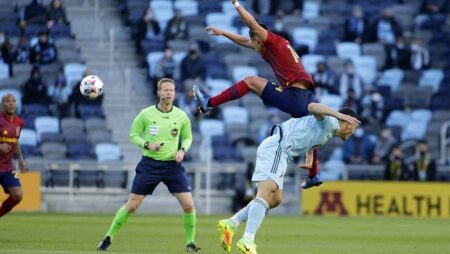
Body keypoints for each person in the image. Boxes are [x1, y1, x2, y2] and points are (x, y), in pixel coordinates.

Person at [193, 0, 321, 185]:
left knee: (250, 81)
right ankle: (313, 175)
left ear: (260, 37)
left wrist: (236, 4)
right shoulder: (272, 45)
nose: (252, 44)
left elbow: (252, 25)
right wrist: (223, 33)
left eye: (254, 40)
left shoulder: (274, 41)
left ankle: (209, 103)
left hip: (296, 96)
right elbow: (245, 40)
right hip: (305, 96)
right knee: (313, 129)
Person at [216, 103, 360, 254]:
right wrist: (340, 115)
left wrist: (310, 154)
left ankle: (231, 223)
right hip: (278, 148)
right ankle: (248, 239)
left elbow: (310, 130)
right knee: (266, 194)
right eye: (354, 126)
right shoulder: (332, 122)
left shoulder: (329, 130)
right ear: (348, 122)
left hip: (281, 153)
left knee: (276, 199)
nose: (353, 131)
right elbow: (312, 106)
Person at [97, 78, 200, 252]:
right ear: (158, 93)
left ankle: (190, 243)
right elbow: (133, 135)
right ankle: (107, 238)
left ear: (175, 93)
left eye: (171, 90)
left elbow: (188, 137)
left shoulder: (181, 116)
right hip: (149, 165)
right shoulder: (146, 114)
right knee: (131, 206)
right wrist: (146, 144)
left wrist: (182, 150)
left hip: (172, 167)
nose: (168, 93)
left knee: (189, 205)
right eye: (165, 90)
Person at [0, 94, 28, 218]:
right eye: (8, 101)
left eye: (13, 101)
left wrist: (20, 159)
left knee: (18, 195)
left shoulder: (19, 122)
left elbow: (15, 140)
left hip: (7, 168)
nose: (11, 103)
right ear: (2, 105)